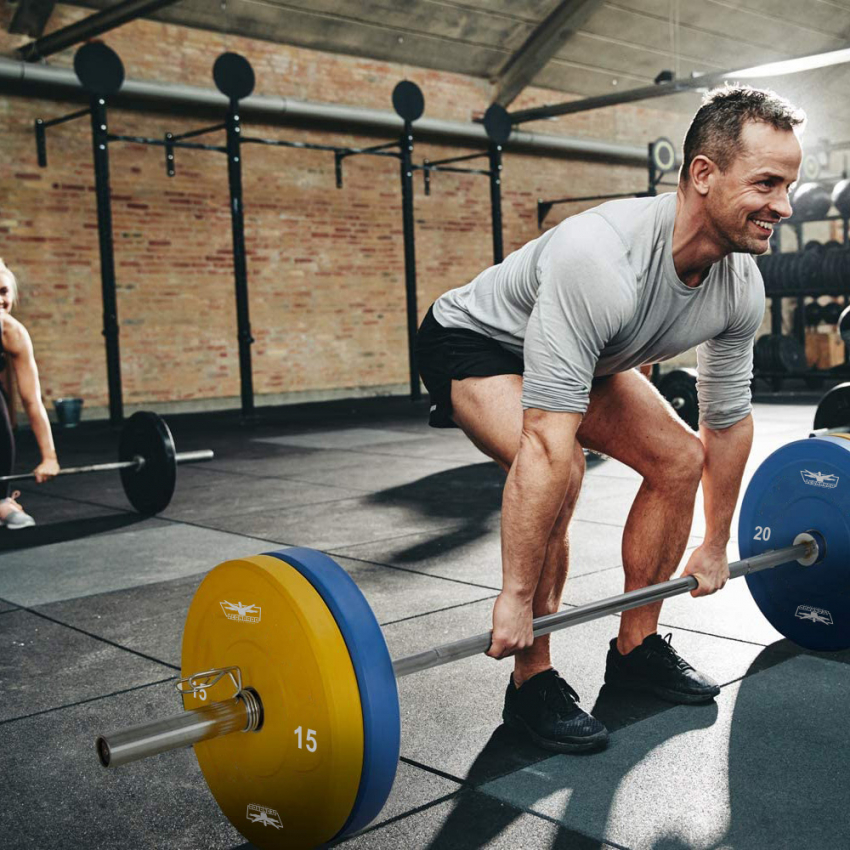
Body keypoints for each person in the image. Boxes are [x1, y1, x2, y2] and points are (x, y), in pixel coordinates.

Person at [415, 85, 804, 753]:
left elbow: (728, 422)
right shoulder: (601, 257)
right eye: (767, 183)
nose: (784, 206)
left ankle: (635, 647)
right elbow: (542, 444)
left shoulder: (741, 283)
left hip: (589, 353)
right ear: (703, 176)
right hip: (476, 343)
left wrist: (714, 543)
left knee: (680, 461)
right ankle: (531, 680)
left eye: (790, 185)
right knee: (560, 469)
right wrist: (513, 597)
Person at [0, 259, 59, 528]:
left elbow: (32, 400)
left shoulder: (14, 333)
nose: (0, 300)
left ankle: (1, 501)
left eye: (3, 291)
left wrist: (49, 457)